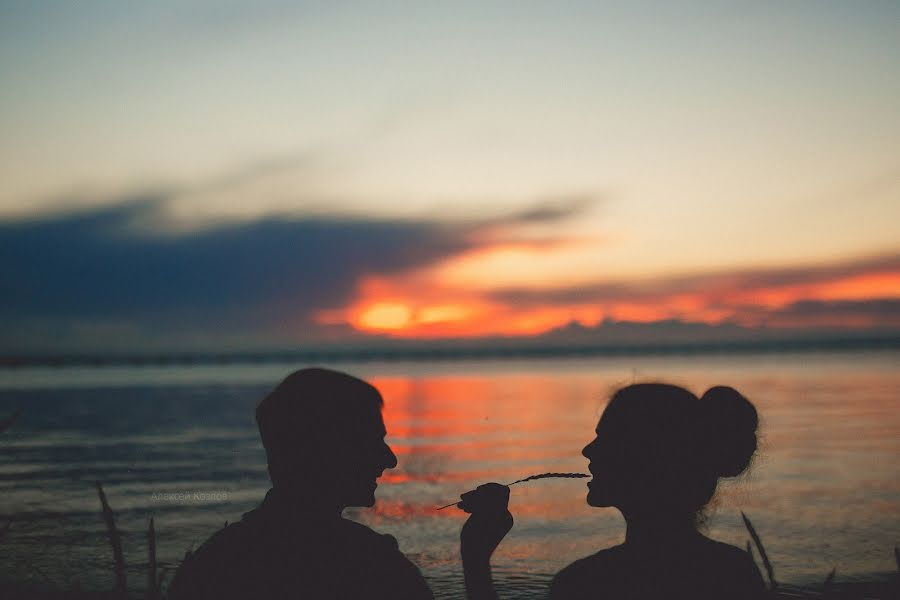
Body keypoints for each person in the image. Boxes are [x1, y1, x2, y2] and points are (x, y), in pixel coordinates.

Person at [459, 383, 767, 600]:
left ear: (649, 457)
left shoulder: (586, 584)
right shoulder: (734, 571)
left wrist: (475, 560)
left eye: (606, 438)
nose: (588, 450)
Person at [168, 367, 434, 600]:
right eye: (371, 441)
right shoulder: (372, 566)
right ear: (326, 450)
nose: (390, 459)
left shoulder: (216, 562)